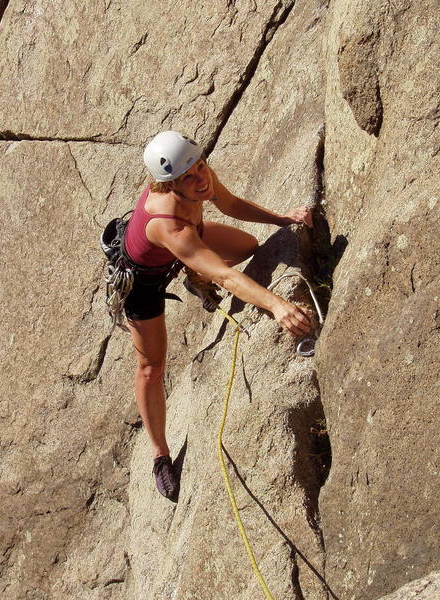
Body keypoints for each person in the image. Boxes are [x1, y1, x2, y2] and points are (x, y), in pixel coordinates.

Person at [124, 131, 313, 501]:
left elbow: (229, 204)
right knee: (151, 366)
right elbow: (226, 276)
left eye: (202, 167)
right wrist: (276, 305)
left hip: (189, 240)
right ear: (171, 185)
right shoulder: (169, 226)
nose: (202, 180)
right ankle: (160, 456)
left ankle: (195, 272)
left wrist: (280, 219)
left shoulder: (193, 174)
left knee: (247, 246)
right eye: (190, 178)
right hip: (142, 284)